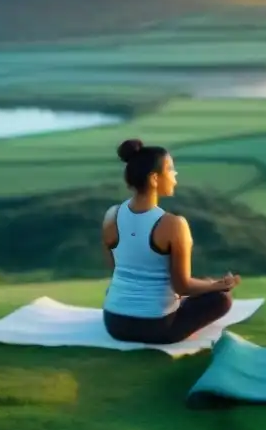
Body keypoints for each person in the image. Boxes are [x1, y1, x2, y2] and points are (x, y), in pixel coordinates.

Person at [101, 138, 241, 344]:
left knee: (202, 282)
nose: (175, 175)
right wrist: (218, 286)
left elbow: (115, 269)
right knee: (222, 299)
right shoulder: (174, 224)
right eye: (170, 169)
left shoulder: (111, 215)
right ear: (154, 179)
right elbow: (182, 286)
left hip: (114, 323)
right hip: (158, 327)